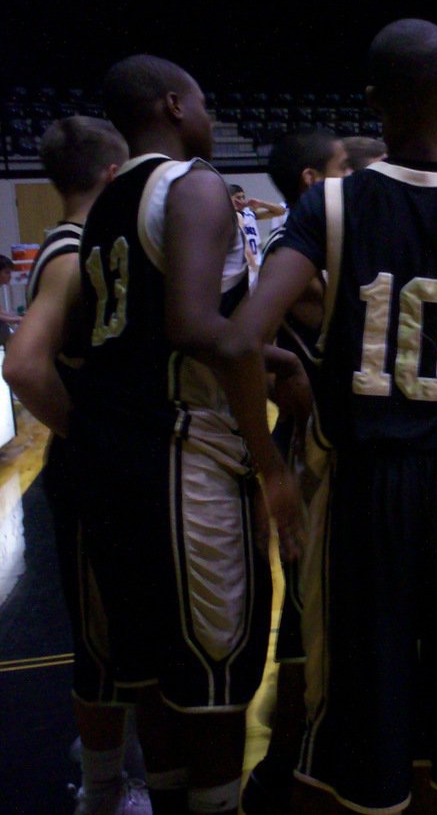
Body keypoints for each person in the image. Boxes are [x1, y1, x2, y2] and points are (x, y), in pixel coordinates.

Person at [238, 18, 437, 813]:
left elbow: (239, 340)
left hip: (361, 493)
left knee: (361, 711)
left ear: (373, 104)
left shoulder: (331, 207)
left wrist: (273, 468)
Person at [68, 54, 301, 814]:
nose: (208, 115)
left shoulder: (103, 203)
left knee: (154, 678)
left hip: (113, 465)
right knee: (214, 677)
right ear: (173, 104)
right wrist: (279, 364)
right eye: (202, 99)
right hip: (183, 456)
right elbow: (195, 326)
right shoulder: (192, 183)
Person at [4, 116, 150, 815]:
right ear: (114, 175)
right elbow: (23, 366)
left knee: (121, 629)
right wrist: (85, 432)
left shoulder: (80, 245)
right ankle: (103, 790)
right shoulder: (72, 253)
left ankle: (110, 757)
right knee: (102, 642)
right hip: (91, 469)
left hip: (96, 467)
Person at [240, 129, 350, 815]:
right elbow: (243, 343)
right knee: (310, 622)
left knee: (327, 618)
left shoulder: (316, 248)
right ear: (316, 180)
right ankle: (283, 771)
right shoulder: (300, 262)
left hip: (330, 451)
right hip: (313, 456)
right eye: (345, 170)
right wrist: (284, 370)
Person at [229, 183, 265, 289]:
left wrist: (262, 203)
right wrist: (254, 265)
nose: (242, 201)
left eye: (243, 197)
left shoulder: (249, 214)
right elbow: (243, 241)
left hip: (257, 260)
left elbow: (280, 211)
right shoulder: (231, 216)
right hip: (246, 266)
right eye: (238, 198)